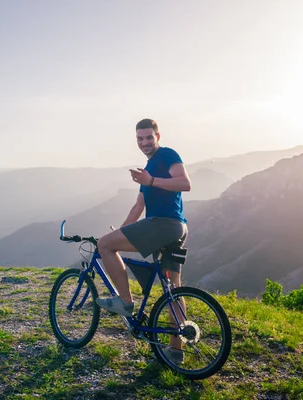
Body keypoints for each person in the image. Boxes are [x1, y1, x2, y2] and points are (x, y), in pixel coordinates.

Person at [96, 118, 191, 363]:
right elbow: (139, 206)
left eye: (149, 137)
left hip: (163, 224)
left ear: (158, 136)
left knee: (104, 245)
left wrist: (151, 181)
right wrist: (123, 231)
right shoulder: (148, 167)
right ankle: (176, 351)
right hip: (177, 228)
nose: (144, 142)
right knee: (173, 290)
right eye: (140, 138)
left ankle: (125, 302)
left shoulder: (167, 155)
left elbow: (184, 183)